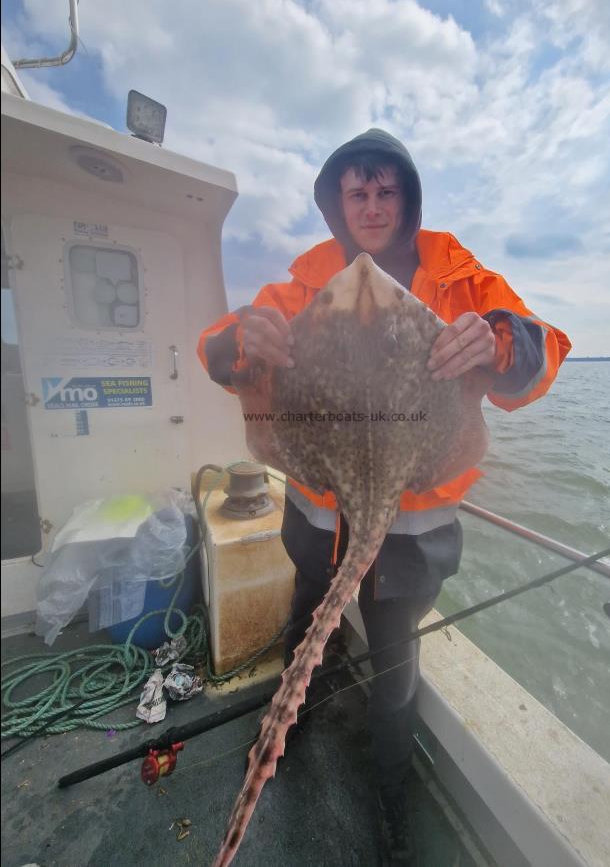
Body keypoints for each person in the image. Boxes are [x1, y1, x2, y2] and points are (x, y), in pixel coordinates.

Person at [198, 128, 571, 865]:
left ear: (406, 195)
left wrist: (499, 342)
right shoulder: (303, 283)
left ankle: (388, 797)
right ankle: (293, 723)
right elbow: (218, 345)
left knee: (395, 672)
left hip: (410, 536)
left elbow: (542, 347)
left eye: (385, 189)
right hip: (315, 516)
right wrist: (243, 341)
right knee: (307, 619)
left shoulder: (461, 280)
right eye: (356, 192)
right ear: (337, 203)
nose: (371, 204)